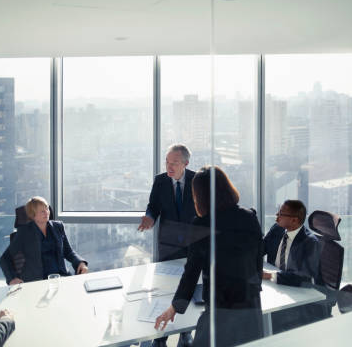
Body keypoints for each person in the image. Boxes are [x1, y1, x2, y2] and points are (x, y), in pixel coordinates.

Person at [154, 166, 264, 347]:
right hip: (250, 305)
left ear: (200, 195)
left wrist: (175, 307)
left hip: (220, 309)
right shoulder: (249, 216)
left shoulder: (202, 224)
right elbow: (258, 257)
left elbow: (191, 272)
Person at [138, 144, 196, 347]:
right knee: (164, 290)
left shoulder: (197, 181)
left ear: (186, 164)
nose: (169, 167)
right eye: (167, 162)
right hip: (168, 245)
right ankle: (160, 336)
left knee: (188, 288)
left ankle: (186, 332)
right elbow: (153, 206)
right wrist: (149, 217)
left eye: (174, 163)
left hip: (193, 246)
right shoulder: (160, 181)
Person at [262, 199, 328, 332]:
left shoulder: (310, 243)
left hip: (298, 297)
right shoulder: (277, 230)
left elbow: (303, 277)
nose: (277, 216)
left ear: (294, 220)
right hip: (278, 289)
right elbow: (259, 249)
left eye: (281, 213)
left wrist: (269, 275)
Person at [0, 196, 88, 285]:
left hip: (61, 277)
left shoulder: (58, 227)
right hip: (37, 281)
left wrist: (80, 262)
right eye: (42, 211)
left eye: (47, 209)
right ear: (33, 215)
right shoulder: (24, 232)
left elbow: (68, 251)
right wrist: (12, 278)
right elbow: (5, 258)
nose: (46, 212)